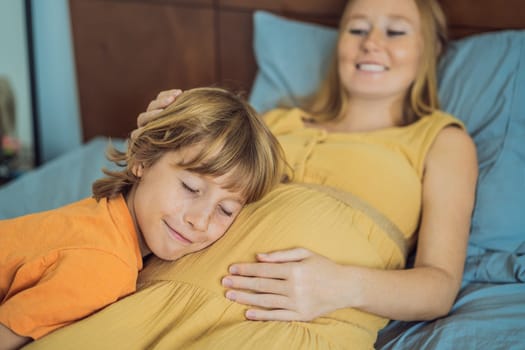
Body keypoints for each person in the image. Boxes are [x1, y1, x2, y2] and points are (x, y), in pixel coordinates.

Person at [26, 0, 478, 348]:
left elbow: (438, 285)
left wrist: (343, 284)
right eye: (356, 29)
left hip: (293, 321)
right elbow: (177, 187)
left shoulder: (440, 140)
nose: (370, 43)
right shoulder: (272, 122)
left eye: (395, 30)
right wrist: (154, 140)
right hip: (156, 289)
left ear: (431, 48)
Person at [0, 87, 285, 350]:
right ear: (141, 160)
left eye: (225, 210)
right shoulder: (105, 267)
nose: (200, 220)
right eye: (191, 188)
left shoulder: (105, 214)